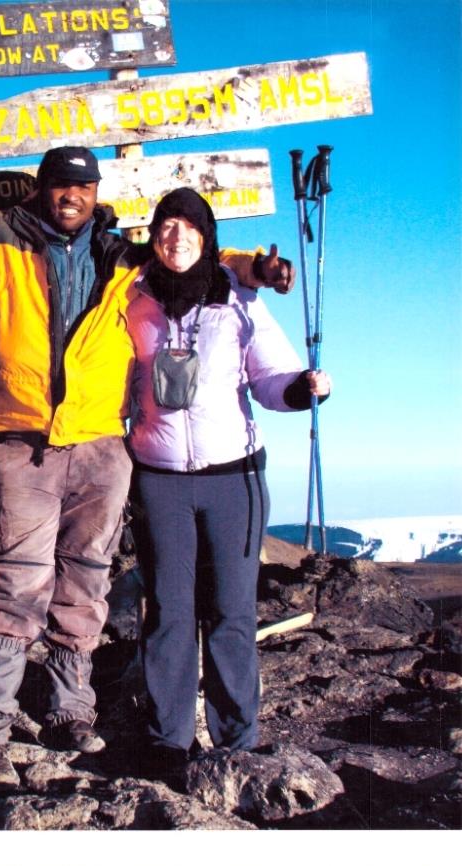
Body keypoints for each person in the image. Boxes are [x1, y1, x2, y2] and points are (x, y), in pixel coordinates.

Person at [0, 147, 294, 789]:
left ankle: (69, 708)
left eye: (82, 186)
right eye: (59, 185)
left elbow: (193, 250)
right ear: (41, 190)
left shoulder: (122, 255)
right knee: (15, 580)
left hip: (103, 445)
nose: (71, 196)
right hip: (25, 439)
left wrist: (255, 265)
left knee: (86, 578)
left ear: (94, 193)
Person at [124, 187, 331, 775]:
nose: (177, 237)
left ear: (207, 236)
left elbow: (270, 375)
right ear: (154, 236)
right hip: (159, 477)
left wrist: (300, 389)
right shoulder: (133, 300)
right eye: (166, 226)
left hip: (233, 478)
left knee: (231, 610)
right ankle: (168, 741)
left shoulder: (240, 301)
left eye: (189, 228)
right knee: (167, 609)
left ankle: (236, 741)